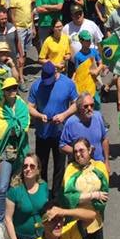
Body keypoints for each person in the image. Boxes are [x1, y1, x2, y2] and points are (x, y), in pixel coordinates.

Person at [28, 62, 78, 198]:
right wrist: (39, 115)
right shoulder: (37, 86)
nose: (47, 83)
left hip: (60, 133)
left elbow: (75, 104)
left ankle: (56, 196)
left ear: (56, 73)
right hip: (42, 133)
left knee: (59, 166)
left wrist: (64, 115)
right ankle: (42, 194)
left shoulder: (67, 84)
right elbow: (30, 106)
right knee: (41, 165)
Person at [0, 77, 31, 233]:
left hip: (20, 151)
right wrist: (11, 128)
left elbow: (25, 122)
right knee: (2, 187)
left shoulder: (22, 105)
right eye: (9, 89)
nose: (12, 91)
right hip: (5, 152)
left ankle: (16, 215)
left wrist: (16, 127)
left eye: (14, 88)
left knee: (18, 185)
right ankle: (0, 220)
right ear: (4, 92)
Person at [61, 138, 109, 239]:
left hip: (96, 222)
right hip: (75, 225)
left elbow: (104, 196)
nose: (78, 154)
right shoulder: (70, 169)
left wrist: (80, 197)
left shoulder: (100, 167)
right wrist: (93, 195)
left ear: (89, 150)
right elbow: (68, 197)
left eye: (81, 150)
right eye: (75, 152)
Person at [5, 153, 49, 239]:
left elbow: (47, 211)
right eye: (25, 166)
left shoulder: (44, 186)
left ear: (38, 170)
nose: (28, 169)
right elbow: (7, 219)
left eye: (32, 166)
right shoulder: (14, 190)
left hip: (42, 236)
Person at [59, 92, 110, 169]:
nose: (89, 108)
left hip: (98, 165)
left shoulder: (98, 116)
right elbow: (62, 146)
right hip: (78, 167)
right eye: (86, 106)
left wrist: (106, 162)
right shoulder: (71, 123)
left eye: (92, 105)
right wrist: (79, 151)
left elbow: (104, 140)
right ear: (79, 108)